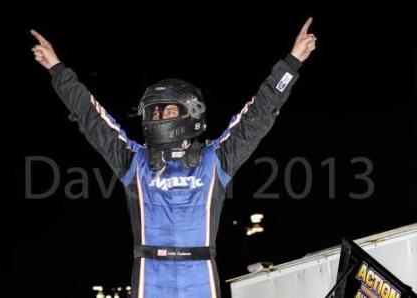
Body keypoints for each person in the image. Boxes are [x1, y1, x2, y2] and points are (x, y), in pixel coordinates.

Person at [31, 17, 316, 298]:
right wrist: (57, 69)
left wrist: (291, 63)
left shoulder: (214, 160)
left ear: (189, 113)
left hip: (200, 277)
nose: (158, 116)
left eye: (167, 111)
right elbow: (92, 118)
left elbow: (257, 115)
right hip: (150, 278)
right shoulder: (134, 161)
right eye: (154, 111)